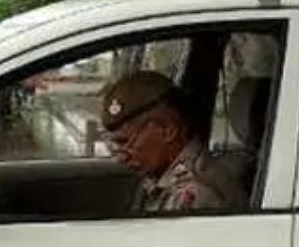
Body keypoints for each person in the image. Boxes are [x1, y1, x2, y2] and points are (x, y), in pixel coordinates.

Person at [100, 70, 247, 213]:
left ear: (168, 130)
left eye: (125, 142)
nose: (121, 157)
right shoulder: (162, 178)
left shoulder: (194, 195)